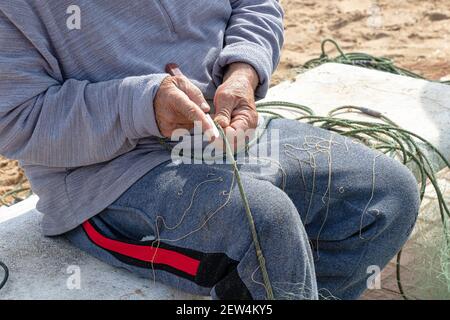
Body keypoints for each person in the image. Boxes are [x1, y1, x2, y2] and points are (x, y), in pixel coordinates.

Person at [0, 1, 419, 300]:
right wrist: (144, 106)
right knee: (263, 225)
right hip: (109, 177)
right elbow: (15, 119)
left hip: (226, 131)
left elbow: (254, 5)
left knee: (385, 192)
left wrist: (242, 72)